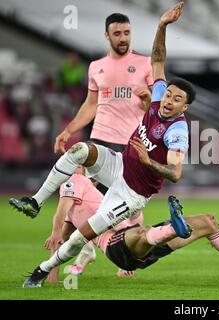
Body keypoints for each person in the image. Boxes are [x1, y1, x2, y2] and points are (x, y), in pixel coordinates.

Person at [9, 2, 195, 288]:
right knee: (81, 150)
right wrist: (162, 25)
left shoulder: (178, 130)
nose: (168, 100)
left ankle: (43, 269)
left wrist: (148, 162)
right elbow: (158, 60)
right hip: (119, 164)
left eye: (175, 99)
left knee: (81, 235)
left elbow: (175, 173)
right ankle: (35, 201)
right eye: (168, 94)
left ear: (185, 106)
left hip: (131, 194)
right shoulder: (157, 96)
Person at [43, 173, 219, 286]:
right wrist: (51, 275)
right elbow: (61, 220)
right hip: (119, 246)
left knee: (208, 221)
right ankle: (172, 229)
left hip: (137, 249)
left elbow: (65, 240)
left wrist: (52, 276)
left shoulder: (97, 197)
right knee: (141, 233)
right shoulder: (75, 181)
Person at [54, 12, 153, 194]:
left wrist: (148, 99)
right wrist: (69, 130)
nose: (123, 38)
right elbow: (91, 105)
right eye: (117, 34)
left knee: (123, 206)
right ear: (107, 36)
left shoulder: (145, 64)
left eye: (126, 33)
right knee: (80, 192)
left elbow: (158, 109)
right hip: (100, 138)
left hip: (130, 142)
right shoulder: (95, 66)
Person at [44, 166, 141, 283]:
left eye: (80, 165)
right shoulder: (75, 183)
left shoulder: (76, 181)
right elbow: (61, 227)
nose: (76, 168)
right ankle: (85, 255)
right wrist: (56, 233)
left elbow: (61, 212)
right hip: (107, 229)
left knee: (141, 241)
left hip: (113, 225)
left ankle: (88, 254)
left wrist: (56, 233)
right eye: (76, 165)